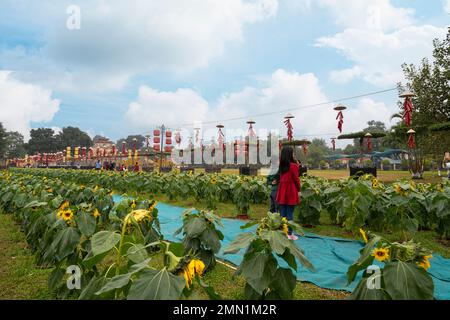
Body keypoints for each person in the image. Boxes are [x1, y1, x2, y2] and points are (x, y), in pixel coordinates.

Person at [276, 146, 301, 240]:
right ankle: (290, 234)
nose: (294, 154)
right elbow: (296, 179)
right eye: (293, 153)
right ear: (290, 154)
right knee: (290, 212)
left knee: (283, 212)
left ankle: (283, 232)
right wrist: (299, 189)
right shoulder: (293, 166)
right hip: (290, 190)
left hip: (282, 189)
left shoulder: (281, 165)